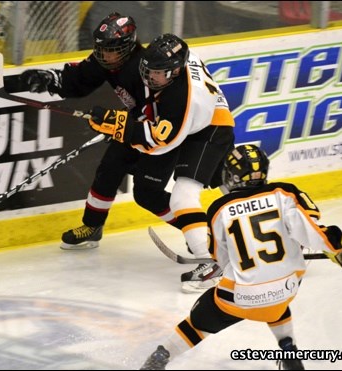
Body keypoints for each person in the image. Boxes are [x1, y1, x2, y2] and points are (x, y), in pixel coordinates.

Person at [138, 144, 342, 370]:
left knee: (199, 320)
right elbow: (313, 230)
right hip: (286, 290)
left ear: (232, 176)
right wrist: (338, 249)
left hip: (239, 299)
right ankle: (290, 352)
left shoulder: (220, 208)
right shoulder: (285, 193)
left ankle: (160, 358)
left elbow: (220, 258)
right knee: (275, 292)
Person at [19, 14, 185, 261]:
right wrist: (50, 80)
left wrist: (121, 124)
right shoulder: (106, 61)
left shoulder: (145, 67)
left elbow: (162, 114)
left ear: (128, 47)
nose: (104, 55)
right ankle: (93, 226)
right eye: (101, 49)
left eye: (111, 50)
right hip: (136, 127)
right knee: (109, 167)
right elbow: (78, 80)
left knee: (148, 193)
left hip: (166, 134)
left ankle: (201, 231)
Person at [85, 33, 235, 292]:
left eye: (157, 73)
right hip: (200, 123)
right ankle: (275, 233)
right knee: (229, 187)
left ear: (175, 71)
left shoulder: (182, 98)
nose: (149, 76)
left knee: (183, 198)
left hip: (208, 130)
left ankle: (211, 264)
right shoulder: (177, 65)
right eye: (149, 69)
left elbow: (159, 144)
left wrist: (120, 127)